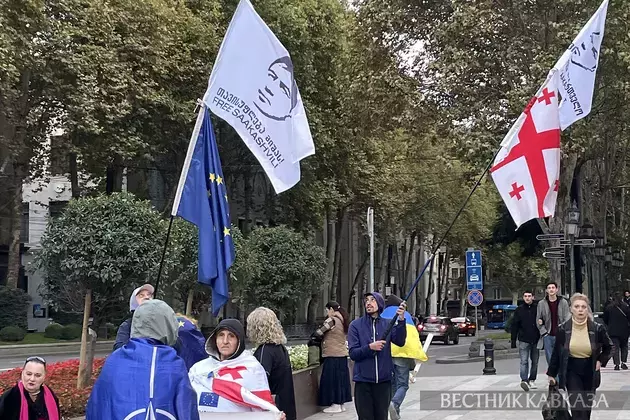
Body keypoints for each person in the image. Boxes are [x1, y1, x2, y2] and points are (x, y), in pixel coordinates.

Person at [87, 299, 199, 420]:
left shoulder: (114, 360)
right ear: (169, 324)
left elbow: (98, 405)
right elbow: (187, 409)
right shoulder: (174, 363)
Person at [189, 319, 286, 419]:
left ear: (239, 340)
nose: (225, 341)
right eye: (221, 335)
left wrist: (273, 416)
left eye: (231, 336)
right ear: (215, 339)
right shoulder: (198, 368)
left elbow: (261, 405)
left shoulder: (252, 369)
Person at [547, 293, 612, 420]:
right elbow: (557, 353)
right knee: (577, 407)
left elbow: (610, 347)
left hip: (590, 369)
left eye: (583, 307)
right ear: (571, 309)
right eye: (577, 306)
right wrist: (551, 374)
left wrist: (600, 360)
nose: (580, 310)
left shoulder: (597, 328)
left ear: (587, 309)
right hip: (571, 369)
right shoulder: (563, 329)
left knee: (586, 409)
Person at [348, 292, 407, 420]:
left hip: (383, 383)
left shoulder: (387, 324)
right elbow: (353, 353)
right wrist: (370, 347)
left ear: (379, 303)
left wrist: (401, 319)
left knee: (382, 417)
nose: (368, 303)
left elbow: (400, 341)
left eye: (373, 300)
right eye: (366, 300)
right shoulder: (355, 325)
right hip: (363, 382)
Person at [247, 307, 297, 420]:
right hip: (286, 406)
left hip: (273, 409)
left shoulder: (265, 351)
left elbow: (259, 382)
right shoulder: (280, 348)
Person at [384, 294, 428, 420]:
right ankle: (394, 403)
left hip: (388, 354)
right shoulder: (406, 315)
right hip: (403, 353)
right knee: (403, 384)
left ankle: (395, 412)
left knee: (392, 384)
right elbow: (413, 338)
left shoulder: (382, 314)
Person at [310, 301, 352, 414]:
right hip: (342, 355)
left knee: (332, 380)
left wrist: (314, 337)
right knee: (341, 380)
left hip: (332, 354)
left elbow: (319, 332)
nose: (327, 312)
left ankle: (335, 404)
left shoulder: (332, 320)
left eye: (327, 310)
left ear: (331, 310)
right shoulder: (343, 320)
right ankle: (341, 404)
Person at [511, 290, 541, 391]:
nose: (527, 298)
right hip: (523, 339)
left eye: (529, 296)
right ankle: (524, 380)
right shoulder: (519, 310)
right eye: (525, 296)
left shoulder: (537, 308)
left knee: (535, 361)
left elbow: (543, 321)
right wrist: (513, 340)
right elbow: (514, 325)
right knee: (524, 361)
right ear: (523, 298)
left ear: (533, 297)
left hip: (536, 339)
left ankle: (532, 379)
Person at [537, 281, 571, 364]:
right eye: (549, 288)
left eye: (553, 288)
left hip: (560, 334)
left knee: (562, 357)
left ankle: (560, 375)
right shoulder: (541, 303)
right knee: (550, 358)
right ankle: (553, 376)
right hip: (548, 335)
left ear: (557, 290)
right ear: (546, 290)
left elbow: (567, 318)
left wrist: (564, 331)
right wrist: (544, 333)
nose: (551, 290)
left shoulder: (563, 302)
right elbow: (538, 319)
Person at [113, 283, 154, 350]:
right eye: (141, 295)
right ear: (134, 302)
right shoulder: (127, 325)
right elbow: (119, 348)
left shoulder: (160, 322)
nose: (146, 297)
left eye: (149, 295)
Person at [602, 292, 630, 370]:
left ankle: (616, 364)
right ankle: (623, 363)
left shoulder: (609, 307)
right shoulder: (626, 307)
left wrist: (610, 325)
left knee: (615, 347)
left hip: (613, 331)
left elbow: (605, 319)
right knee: (624, 346)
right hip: (624, 331)